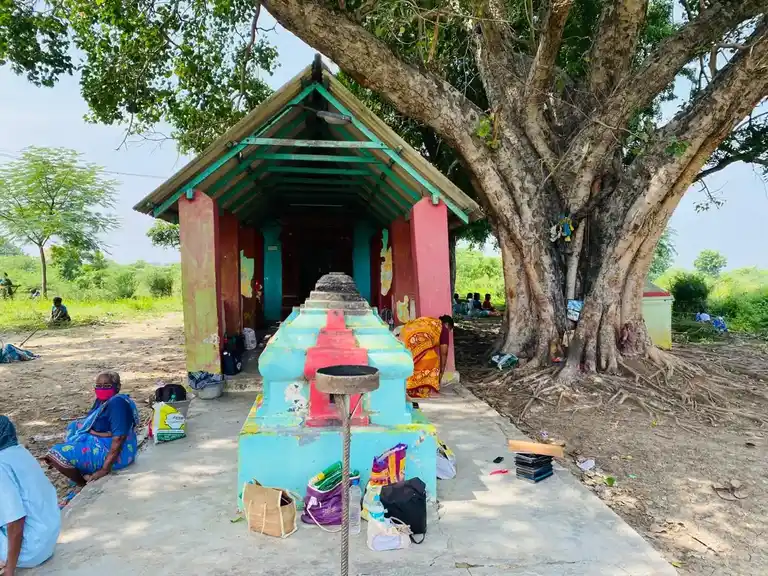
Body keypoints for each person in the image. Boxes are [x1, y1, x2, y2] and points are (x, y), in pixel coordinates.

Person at [45, 372, 139, 486]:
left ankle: (83, 482)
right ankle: (81, 463)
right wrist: (96, 433)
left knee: (55, 454)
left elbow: (119, 438)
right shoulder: (103, 400)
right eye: (98, 386)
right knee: (74, 425)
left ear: (118, 387)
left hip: (118, 455)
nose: (102, 389)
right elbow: (91, 421)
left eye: (106, 386)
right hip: (106, 440)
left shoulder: (117, 403)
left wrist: (104, 469)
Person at [0, 416, 61, 575]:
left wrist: (9, 570)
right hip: (48, 539)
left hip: (31, 550)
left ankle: (5, 561)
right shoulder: (20, 451)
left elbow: (16, 520)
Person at [399, 315, 454, 398]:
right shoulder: (443, 328)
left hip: (403, 336)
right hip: (414, 340)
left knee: (414, 361)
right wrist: (441, 372)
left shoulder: (429, 321)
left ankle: (408, 385)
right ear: (446, 324)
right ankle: (421, 388)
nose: (448, 332)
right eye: (449, 329)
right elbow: (444, 353)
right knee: (433, 360)